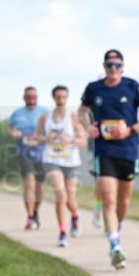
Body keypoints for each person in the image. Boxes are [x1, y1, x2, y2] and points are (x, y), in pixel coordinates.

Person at [78, 49, 139, 269]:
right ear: (104, 67)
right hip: (104, 151)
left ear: (123, 67)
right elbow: (81, 112)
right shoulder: (94, 89)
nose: (113, 69)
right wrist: (88, 127)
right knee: (110, 199)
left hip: (128, 151)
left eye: (117, 65)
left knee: (123, 201)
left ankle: (117, 226)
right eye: (109, 65)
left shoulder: (133, 87)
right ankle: (115, 246)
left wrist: (130, 130)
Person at [37, 85, 87, 247]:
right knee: (60, 194)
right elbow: (37, 137)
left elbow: (83, 140)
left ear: (67, 98)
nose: (61, 99)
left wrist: (70, 140)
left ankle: (75, 215)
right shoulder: (45, 117)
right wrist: (47, 138)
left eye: (63, 97)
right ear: (54, 98)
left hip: (71, 161)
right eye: (58, 97)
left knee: (70, 198)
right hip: (52, 160)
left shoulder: (72, 117)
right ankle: (62, 231)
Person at [8, 86, 47, 230]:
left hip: (42, 153)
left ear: (37, 98)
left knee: (39, 186)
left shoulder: (44, 112)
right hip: (23, 152)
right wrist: (14, 132)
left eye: (34, 97)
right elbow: (10, 127)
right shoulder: (17, 113)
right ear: (24, 98)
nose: (31, 99)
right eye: (29, 97)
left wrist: (40, 138)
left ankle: (36, 211)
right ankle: (30, 216)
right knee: (29, 183)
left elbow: (50, 131)